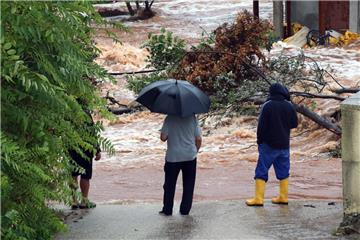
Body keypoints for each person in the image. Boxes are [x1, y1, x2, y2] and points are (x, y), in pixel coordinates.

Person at [246, 83, 298, 206]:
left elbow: (261, 127)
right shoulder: (289, 106)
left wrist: (259, 141)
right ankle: (283, 197)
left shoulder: (267, 106)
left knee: (262, 170)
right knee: (284, 171)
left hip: (268, 145)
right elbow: (294, 124)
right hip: (284, 144)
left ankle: (258, 199)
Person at [159, 114, 202, 216]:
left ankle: (167, 209)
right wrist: (195, 151)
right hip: (189, 156)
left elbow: (163, 138)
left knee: (169, 185)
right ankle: (185, 210)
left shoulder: (169, 118)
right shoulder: (192, 118)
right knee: (188, 185)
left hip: (173, 157)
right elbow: (199, 139)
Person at [69, 106, 101, 209]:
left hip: (71, 146)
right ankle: (84, 201)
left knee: (73, 175)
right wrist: (97, 150)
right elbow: (92, 132)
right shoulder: (85, 112)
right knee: (85, 175)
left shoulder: (67, 110)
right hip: (85, 148)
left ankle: (73, 201)